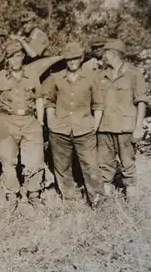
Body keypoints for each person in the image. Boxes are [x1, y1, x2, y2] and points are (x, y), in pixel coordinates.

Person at [42, 42, 105, 208]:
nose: (72, 62)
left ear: (82, 58)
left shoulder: (91, 78)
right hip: (59, 130)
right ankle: (70, 200)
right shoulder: (56, 78)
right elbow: (49, 102)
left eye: (76, 58)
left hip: (84, 130)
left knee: (91, 166)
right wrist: (51, 122)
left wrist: (94, 126)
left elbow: (98, 104)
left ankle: (96, 200)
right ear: (65, 60)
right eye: (69, 59)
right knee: (62, 167)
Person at [0, 40, 46, 210]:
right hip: (7, 121)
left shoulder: (32, 75)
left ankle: (33, 193)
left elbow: (39, 98)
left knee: (35, 159)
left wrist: (40, 120)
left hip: (30, 121)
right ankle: (12, 194)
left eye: (18, 56)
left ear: (22, 57)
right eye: (12, 57)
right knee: (8, 160)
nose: (15, 60)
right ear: (7, 59)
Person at [97, 39, 148, 199]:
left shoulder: (134, 74)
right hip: (105, 127)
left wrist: (138, 127)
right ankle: (106, 199)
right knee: (104, 164)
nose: (103, 56)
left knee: (127, 163)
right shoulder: (100, 75)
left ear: (114, 54)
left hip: (125, 127)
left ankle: (132, 199)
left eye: (105, 53)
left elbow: (141, 101)